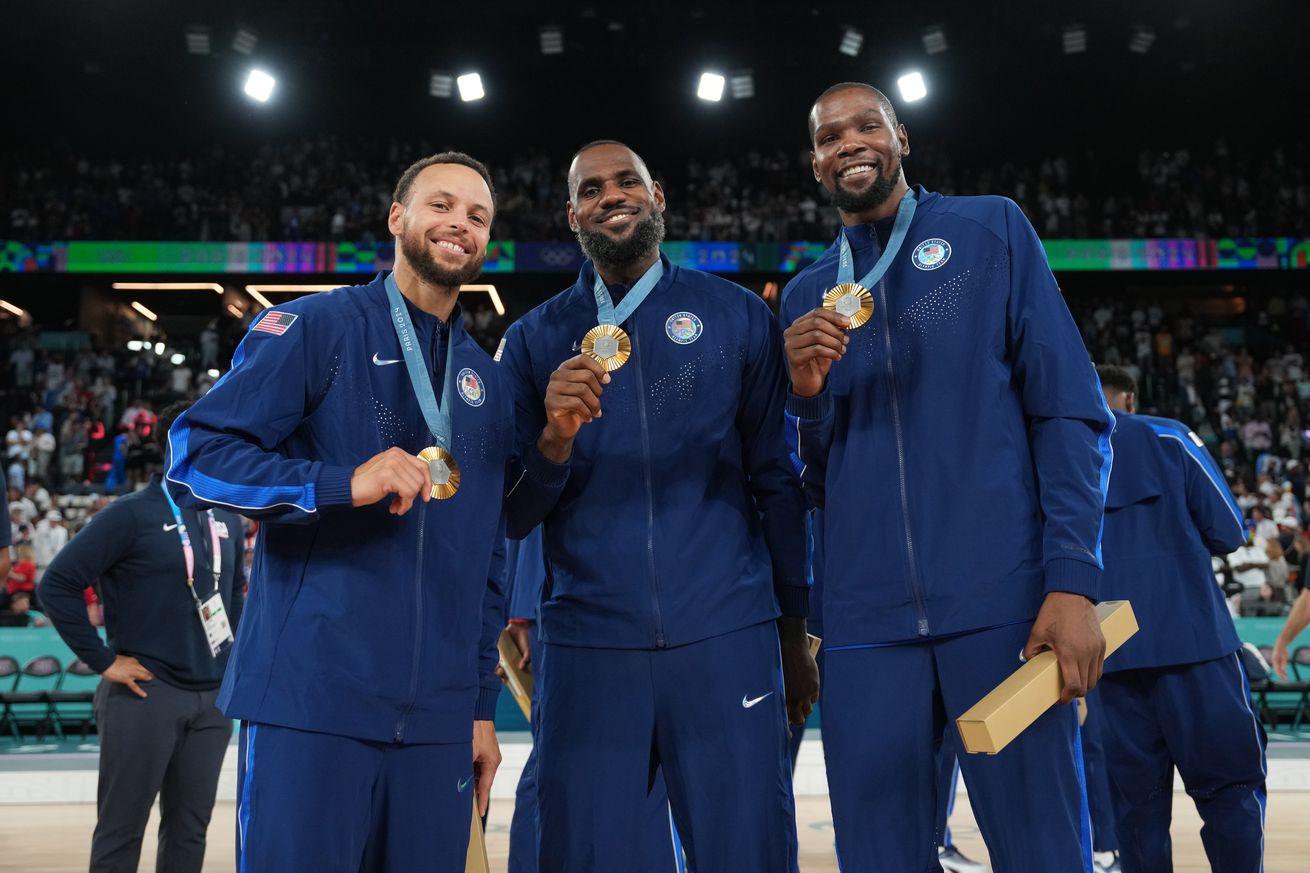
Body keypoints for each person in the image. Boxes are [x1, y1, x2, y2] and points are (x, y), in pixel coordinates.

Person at [780, 82, 1113, 872]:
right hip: (866, 628)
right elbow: (813, 478)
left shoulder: (989, 227)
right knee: (879, 854)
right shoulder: (804, 297)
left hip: (1003, 604)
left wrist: (1071, 579)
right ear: (816, 163)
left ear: (902, 137)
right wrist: (806, 400)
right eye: (830, 137)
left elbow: (1068, 410)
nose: (849, 143)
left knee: (1044, 850)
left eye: (867, 126)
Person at [164, 151, 512, 873]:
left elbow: (487, 555)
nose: (459, 224)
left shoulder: (486, 380)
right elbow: (197, 453)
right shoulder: (316, 327)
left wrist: (480, 704)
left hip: (437, 726)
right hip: (312, 703)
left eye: (477, 216)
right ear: (397, 218)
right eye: (441, 204)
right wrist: (335, 482)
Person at [500, 139, 816, 872]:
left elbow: (777, 480)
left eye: (626, 182)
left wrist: (794, 633)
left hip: (726, 632)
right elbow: (512, 514)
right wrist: (552, 441)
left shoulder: (737, 317)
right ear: (571, 214)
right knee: (580, 854)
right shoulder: (533, 340)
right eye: (591, 190)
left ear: (658, 196)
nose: (611, 197)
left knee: (748, 852)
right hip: (587, 644)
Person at [37, 402, 245, 873]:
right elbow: (57, 584)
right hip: (145, 692)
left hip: (210, 701)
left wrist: (231, 670)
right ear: (179, 442)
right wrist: (103, 661)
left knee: (190, 832)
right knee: (121, 830)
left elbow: (232, 596)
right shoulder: (129, 515)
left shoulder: (226, 518)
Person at [1094, 365, 1265, 872]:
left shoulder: (1048, 453)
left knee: (1136, 811)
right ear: (1129, 400)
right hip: (1194, 645)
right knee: (1231, 790)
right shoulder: (1168, 436)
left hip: (1108, 656)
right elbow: (1230, 531)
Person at [501, 527, 686, 873]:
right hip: (567, 599)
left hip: (582, 596)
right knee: (553, 759)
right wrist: (520, 609)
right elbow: (534, 493)